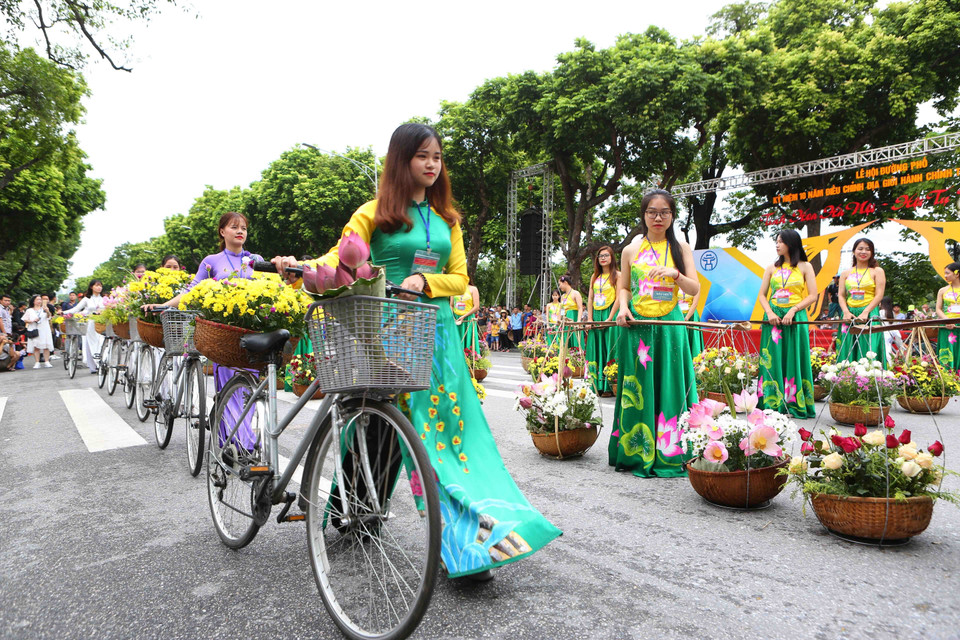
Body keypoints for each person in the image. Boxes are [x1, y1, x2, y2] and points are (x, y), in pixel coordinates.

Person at [273, 122, 560, 579]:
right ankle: (359, 510)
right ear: (402, 160)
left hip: (437, 336)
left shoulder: (448, 220)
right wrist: (300, 266)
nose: (431, 165)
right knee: (380, 427)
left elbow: (460, 278)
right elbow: (339, 256)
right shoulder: (375, 213)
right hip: (385, 332)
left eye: (437, 158)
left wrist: (424, 281)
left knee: (449, 441)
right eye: (422, 156)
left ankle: (472, 544)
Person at [145, 212, 263, 449]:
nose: (240, 231)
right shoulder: (211, 261)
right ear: (222, 232)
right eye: (234, 227)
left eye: (244, 228)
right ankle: (238, 443)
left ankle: (242, 439)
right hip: (223, 334)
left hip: (251, 333)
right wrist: (163, 306)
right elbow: (191, 290)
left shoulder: (256, 261)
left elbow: (272, 287)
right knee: (229, 388)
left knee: (249, 390)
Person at [609, 189, 699, 478]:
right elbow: (624, 287)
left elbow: (694, 289)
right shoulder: (630, 250)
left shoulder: (680, 248)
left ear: (672, 216)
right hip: (637, 327)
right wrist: (623, 308)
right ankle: (637, 451)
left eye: (664, 212)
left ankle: (672, 451)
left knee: (670, 383)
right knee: (637, 387)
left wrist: (675, 275)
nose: (658, 217)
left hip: (670, 328)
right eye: (652, 212)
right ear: (644, 215)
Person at [756, 229, 817, 418]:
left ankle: (794, 404)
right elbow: (762, 295)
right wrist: (769, 312)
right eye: (776, 241)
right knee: (772, 358)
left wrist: (793, 310)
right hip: (773, 318)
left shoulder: (805, 266)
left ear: (792, 243)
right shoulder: (771, 268)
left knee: (794, 357)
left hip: (795, 317)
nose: (777, 245)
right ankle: (771, 402)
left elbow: (813, 295)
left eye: (781, 241)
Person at [836, 237, 887, 367]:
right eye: (860, 248)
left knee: (868, 349)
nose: (863, 252)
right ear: (854, 251)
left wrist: (866, 312)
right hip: (849, 314)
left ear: (872, 253)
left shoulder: (877, 271)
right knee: (846, 348)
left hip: (869, 313)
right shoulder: (845, 273)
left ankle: (869, 380)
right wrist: (846, 312)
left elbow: (879, 294)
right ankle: (845, 380)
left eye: (867, 249)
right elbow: (841, 295)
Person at [586, 245, 620, 396]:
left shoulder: (617, 275)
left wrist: (610, 318)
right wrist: (590, 319)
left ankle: (609, 385)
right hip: (597, 315)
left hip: (610, 314)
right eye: (600, 256)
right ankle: (596, 384)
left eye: (606, 255)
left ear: (612, 257)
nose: (603, 258)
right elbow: (590, 298)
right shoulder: (595, 277)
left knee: (609, 347)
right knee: (596, 348)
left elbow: (619, 297)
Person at [68, 280, 105, 374]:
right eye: (97, 285)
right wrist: (64, 313)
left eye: (100, 286)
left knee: (102, 343)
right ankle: (96, 364)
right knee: (92, 344)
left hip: (102, 323)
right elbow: (76, 309)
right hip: (91, 324)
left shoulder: (104, 298)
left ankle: (102, 363)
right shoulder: (86, 299)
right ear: (91, 287)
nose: (99, 287)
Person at [935, 261, 960, 370]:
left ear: (957, 274)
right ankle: (947, 378)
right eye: (944, 273)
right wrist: (947, 320)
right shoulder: (942, 290)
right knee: (946, 352)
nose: (945, 276)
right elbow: (938, 309)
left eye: (947, 273)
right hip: (947, 326)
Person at [22, 295, 55, 368]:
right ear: (33, 301)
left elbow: (49, 317)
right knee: (36, 346)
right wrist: (32, 320)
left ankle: (47, 361)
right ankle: (37, 362)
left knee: (46, 345)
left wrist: (47, 311)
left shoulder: (44, 309)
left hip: (44, 328)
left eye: (40, 300)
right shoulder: (29, 310)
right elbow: (25, 319)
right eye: (37, 300)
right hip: (34, 328)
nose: (39, 301)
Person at [450, 281, 481, 353]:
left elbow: (476, 306)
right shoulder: (454, 289)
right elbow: (451, 305)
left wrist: (464, 316)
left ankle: (468, 358)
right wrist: (452, 316)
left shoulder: (473, 289)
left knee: (468, 339)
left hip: (468, 319)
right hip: (456, 318)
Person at [558, 275, 584, 352]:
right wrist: (559, 319)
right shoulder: (563, 296)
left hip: (573, 317)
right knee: (566, 339)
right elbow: (561, 309)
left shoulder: (575, 293)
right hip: (565, 320)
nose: (559, 287)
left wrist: (578, 321)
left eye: (560, 284)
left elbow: (580, 308)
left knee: (575, 339)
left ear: (565, 282)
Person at [678, 286, 703, 358]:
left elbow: (695, 303)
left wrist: (686, 318)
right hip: (677, 315)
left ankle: (694, 364)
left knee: (693, 343)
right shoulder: (673, 282)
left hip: (691, 316)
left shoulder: (695, 284)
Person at [878, 296, 903, 362]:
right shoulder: (893, 313)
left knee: (886, 348)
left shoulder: (880, 312)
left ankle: (890, 362)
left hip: (884, 333)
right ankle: (892, 359)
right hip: (892, 332)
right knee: (888, 347)